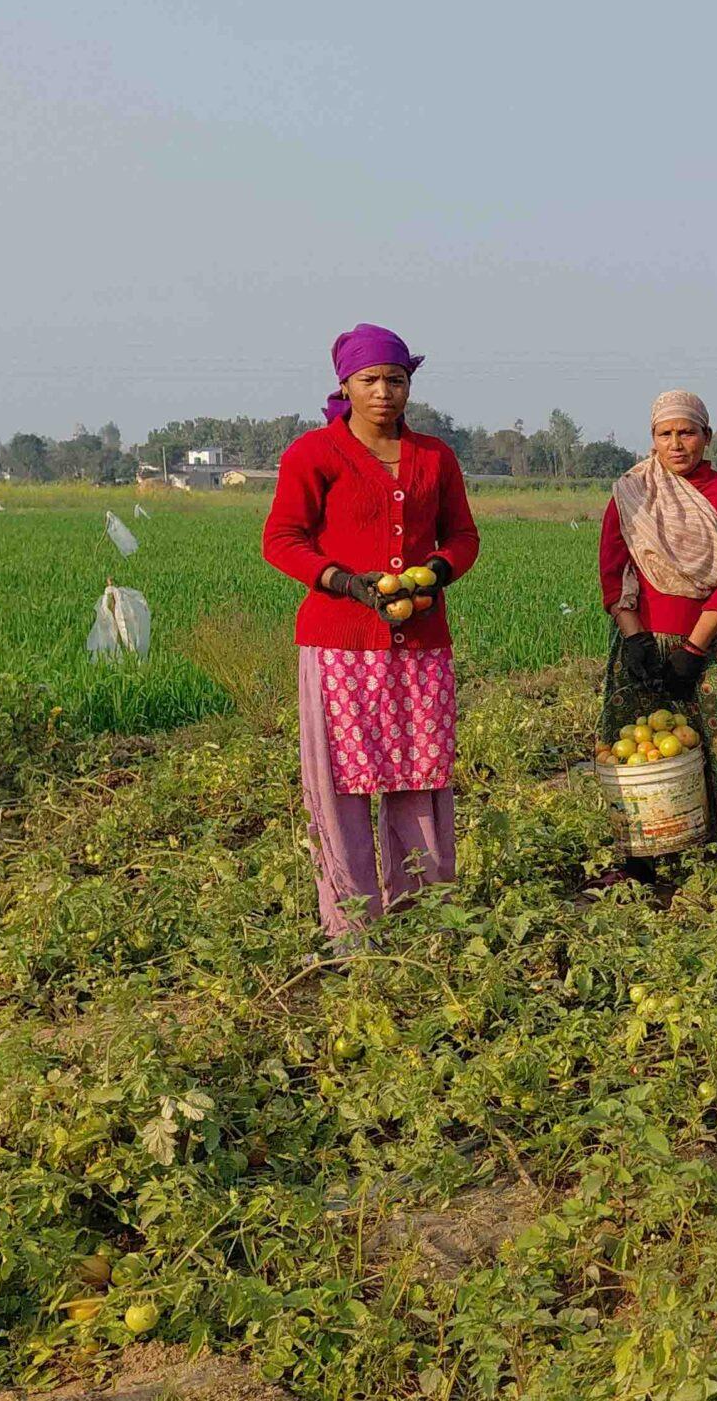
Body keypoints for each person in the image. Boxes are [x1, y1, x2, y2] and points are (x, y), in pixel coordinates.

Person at [262, 323, 480, 957]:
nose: (384, 392)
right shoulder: (314, 454)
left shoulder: (435, 456)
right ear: (345, 386)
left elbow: (463, 536)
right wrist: (345, 583)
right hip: (339, 644)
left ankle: (426, 924)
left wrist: (437, 571)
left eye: (396, 379)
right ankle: (354, 930)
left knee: (422, 777)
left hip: (421, 643)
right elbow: (281, 539)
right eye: (370, 381)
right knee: (343, 787)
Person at [597, 389, 717, 859]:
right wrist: (635, 636)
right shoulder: (630, 495)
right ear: (653, 439)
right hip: (640, 640)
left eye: (687, 432)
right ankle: (643, 855)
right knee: (635, 752)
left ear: (708, 437)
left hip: (713, 645)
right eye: (665, 434)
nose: (677, 444)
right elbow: (614, 571)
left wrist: (693, 651)